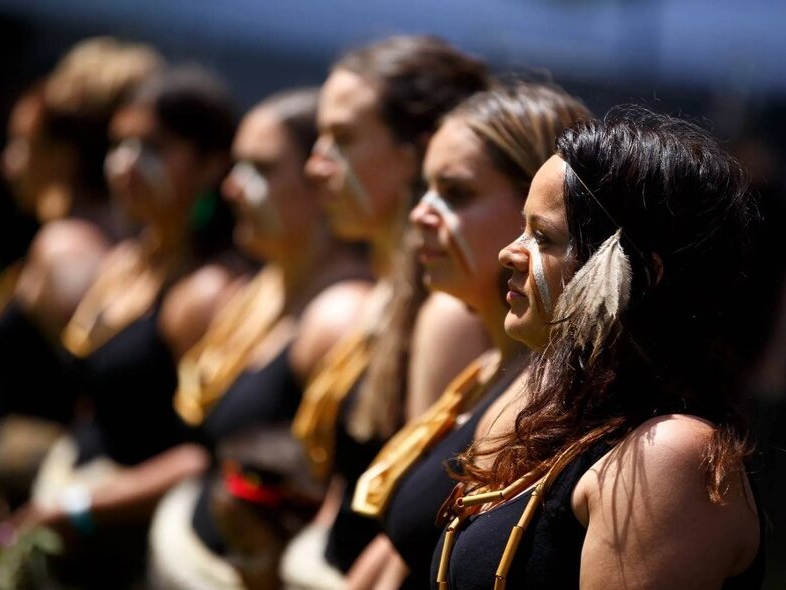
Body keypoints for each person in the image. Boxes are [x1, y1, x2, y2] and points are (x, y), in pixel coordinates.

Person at [432, 107, 765, 589]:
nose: (509, 252)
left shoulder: (668, 458)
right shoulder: (548, 411)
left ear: (644, 275)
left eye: (543, 237)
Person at [0, 64, 243, 588]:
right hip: (73, 514)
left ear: (209, 165)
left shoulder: (210, 292)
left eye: (152, 148)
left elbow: (206, 452)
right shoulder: (126, 259)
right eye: (120, 145)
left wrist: (83, 506)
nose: (126, 165)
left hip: (127, 545)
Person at [348, 81, 590, 590]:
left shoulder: (549, 389)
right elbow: (399, 547)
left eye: (456, 193)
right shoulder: (488, 361)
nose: (420, 213)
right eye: (425, 189)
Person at [284, 35, 491, 587]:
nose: (315, 164)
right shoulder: (391, 288)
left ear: (415, 154)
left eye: (344, 139)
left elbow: (417, 518)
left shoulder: (449, 312)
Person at [146, 87, 371, 590]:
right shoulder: (256, 296)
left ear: (322, 184)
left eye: (262, 169)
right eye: (236, 166)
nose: (231, 187)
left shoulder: (342, 318)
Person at [0, 38, 163, 521]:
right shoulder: (96, 241)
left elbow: (103, 389)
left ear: (65, 152)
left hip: (51, 510)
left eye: (25, 143)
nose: (9, 163)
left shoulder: (69, 249)